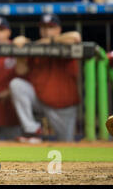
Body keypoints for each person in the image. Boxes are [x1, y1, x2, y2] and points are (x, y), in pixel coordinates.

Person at [9, 14, 82, 142]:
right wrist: (19, 50)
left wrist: (41, 43)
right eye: (43, 28)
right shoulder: (36, 48)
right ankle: (32, 129)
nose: (47, 31)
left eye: (51, 27)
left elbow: (76, 37)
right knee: (16, 84)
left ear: (59, 29)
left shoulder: (65, 43)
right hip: (41, 101)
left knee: (67, 144)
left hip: (63, 107)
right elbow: (21, 70)